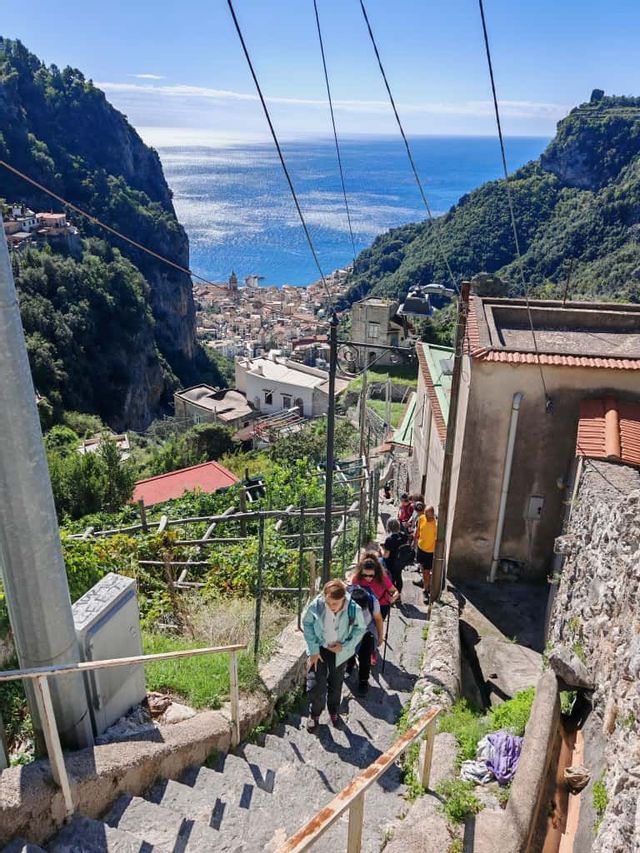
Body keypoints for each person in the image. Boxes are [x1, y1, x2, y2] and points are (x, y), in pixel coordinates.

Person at [302, 579, 366, 732]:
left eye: (335, 604)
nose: (331, 607)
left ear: (343, 598)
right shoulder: (317, 605)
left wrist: (345, 647)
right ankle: (314, 714)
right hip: (319, 648)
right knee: (316, 684)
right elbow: (307, 624)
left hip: (340, 651)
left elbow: (360, 629)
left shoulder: (353, 609)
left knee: (336, 683)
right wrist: (313, 650)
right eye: (328, 603)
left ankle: (333, 711)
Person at [345, 584, 384, 694]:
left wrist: (380, 637)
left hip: (366, 630)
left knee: (365, 657)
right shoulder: (343, 602)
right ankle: (350, 664)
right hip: (349, 630)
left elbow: (378, 619)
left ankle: (363, 681)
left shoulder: (373, 602)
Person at [351, 553, 400, 621]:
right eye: (364, 575)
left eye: (371, 575)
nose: (368, 578)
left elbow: (395, 591)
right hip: (364, 606)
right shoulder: (356, 578)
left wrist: (393, 598)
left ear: (376, 572)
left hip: (381, 605)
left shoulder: (383, 578)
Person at [415, 503, 437, 604]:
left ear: (433, 514)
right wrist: (415, 542)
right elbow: (418, 530)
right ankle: (424, 581)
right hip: (421, 548)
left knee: (427, 571)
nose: (427, 517)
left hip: (430, 551)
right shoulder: (421, 518)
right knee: (422, 567)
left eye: (429, 516)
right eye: (426, 514)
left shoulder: (436, 525)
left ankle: (425, 590)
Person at [382, 518, 409, 594]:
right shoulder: (404, 536)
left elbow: (386, 555)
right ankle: (398, 593)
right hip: (401, 561)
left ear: (389, 527)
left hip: (391, 563)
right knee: (398, 577)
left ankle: (392, 594)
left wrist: (381, 553)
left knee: (391, 578)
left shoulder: (389, 540)